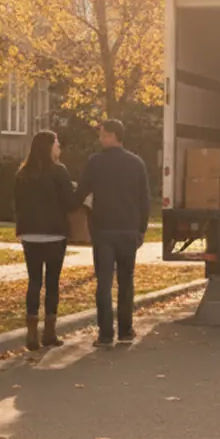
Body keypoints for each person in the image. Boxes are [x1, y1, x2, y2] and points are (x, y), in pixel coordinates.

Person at [75, 118, 151, 347]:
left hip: (103, 230)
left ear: (112, 135)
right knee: (126, 282)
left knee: (104, 283)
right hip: (128, 230)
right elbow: (144, 200)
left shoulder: (95, 163)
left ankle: (105, 333)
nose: (100, 138)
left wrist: (72, 206)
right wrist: (141, 230)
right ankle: (126, 330)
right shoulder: (137, 163)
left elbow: (81, 193)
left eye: (102, 134)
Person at [13, 130, 78, 351]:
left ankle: (32, 333)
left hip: (30, 234)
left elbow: (18, 204)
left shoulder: (23, 174)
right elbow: (69, 203)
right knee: (52, 283)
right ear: (49, 147)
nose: (59, 147)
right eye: (57, 143)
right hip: (54, 233)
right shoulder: (59, 172)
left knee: (34, 281)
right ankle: (49, 332)